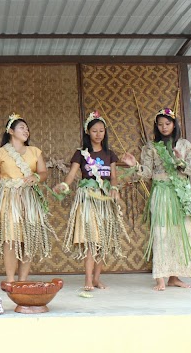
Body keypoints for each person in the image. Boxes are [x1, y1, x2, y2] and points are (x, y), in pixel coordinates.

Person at [122, 107, 191, 291]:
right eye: (160, 124)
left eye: (168, 124)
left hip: (181, 194)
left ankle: (174, 277)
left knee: (182, 233)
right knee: (161, 232)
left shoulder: (185, 145)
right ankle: (160, 278)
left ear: (174, 124)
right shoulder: (150, 147)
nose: (164, 127)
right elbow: (147, 174)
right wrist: (135, 165)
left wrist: (180, 161)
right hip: (161, 193)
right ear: (156, 126)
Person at [0, 113, 56, 283]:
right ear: (11, 131)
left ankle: (23, 280)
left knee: (28, 237)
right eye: (22, 127)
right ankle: (11, 280)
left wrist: (36, 177)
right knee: (10, 239)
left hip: (29, 198)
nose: (26, 131)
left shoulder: (35, 151)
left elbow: (43, 173)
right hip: (8, 199)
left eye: (27, 128)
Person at [55, 111, 128, 291]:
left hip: (104, 199)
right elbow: (72, 174)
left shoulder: (109, 154)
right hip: (87, 198)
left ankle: (96, 278)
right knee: (90, 240)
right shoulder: (81, 154)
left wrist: (114, 189)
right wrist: (64, 185)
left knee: (102, 241)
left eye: (101, 131)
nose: (98, 134)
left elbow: (114, 177)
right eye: (94, 130)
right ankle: (88, 279)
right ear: (88, 132)